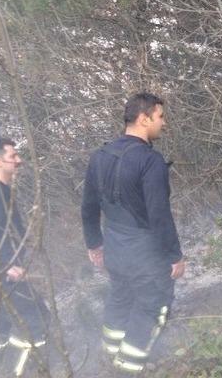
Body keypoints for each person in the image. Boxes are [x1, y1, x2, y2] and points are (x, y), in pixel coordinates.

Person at [81, 92, 185, 374]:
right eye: (160, 117)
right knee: (153, 308)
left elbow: (88, 207)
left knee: (120, 300)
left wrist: (95, 245)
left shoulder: (100, 156)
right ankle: (127, 369)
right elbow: (159, 215)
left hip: (114, 250)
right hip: (145, 255)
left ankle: (109, 359)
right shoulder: (150, 161)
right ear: (144, 119)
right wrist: (175, 256)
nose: (164, 123)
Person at [0, 137, 50, 377]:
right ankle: (22, 372)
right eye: (13, 156)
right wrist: (7, 266)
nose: (19, 160)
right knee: (37, 316)